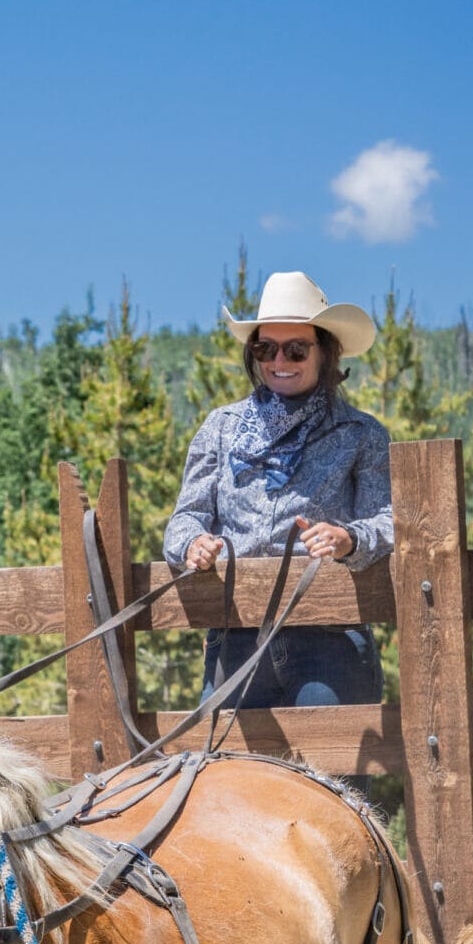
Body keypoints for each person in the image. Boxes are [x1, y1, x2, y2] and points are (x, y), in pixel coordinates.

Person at [163, 271, 390, 708]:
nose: (279, 359)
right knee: (222, 775)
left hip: (329, 640)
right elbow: (186, 516)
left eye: (296, 348)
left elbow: (390, 520)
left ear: (324, 352)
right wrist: (193, 543)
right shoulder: (220, 429)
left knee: (330, 775)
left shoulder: (362, 434)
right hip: (234, 637)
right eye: (266, 347)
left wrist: (350, 539)